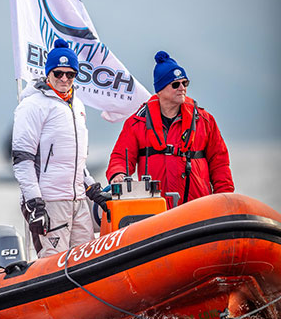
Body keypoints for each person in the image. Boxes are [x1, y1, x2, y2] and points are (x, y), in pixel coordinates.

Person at [12, 38, 108, 258]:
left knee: (87, 262)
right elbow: (22, 160)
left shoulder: (77, 105)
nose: (64, 78)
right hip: (49, 201)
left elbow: (75, 161)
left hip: (78, 201)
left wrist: (92, 188)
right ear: (49, 73)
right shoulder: (32, 105)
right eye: (58, 73)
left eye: (70, 74)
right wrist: (34, 203)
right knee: (54, 263)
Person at [106, 50, 234, 207]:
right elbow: (120, 157)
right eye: (175, 84)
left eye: (185, 83)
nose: (182, 88)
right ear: (160, 90)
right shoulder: (136, 123)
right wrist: (118, 174)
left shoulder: (205, 120)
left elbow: (219, 163)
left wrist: (225, 199)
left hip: (198, 208)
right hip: (156, 211)